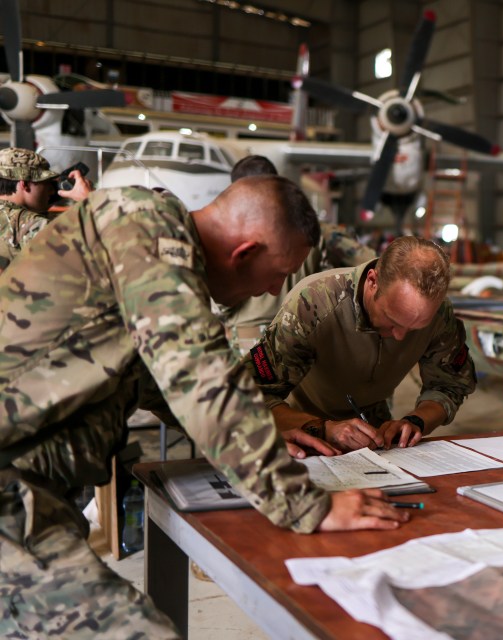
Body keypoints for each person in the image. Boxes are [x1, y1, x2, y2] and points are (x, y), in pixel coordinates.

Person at [0, 176, 407, 637]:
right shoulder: (146, 229)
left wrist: (266, 430)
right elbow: (199, 376)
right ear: (244, 253)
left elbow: (158, 383)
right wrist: (307, 506)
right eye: (277, 276)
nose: (273, 292)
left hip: (33, 485)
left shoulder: (154, 252)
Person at [248, 235, 477, 454]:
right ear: (372, 281)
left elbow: (450, 384)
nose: (399, 337)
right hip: (304, 432)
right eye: (393, 320)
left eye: (416, 328)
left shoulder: (439, 315)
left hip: (375, 438)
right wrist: (324, 428)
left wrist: (416, 421)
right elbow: (248, 396)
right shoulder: (313, 304)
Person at [221, 154, 375, 353]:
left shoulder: (231, 236)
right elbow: (370, 261)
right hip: (303, 340)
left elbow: (218, 304)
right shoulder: (319, 231)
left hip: (249, 345)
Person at [0, 147, 92, 272]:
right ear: (25, 184)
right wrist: (89, 200)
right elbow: (91, 256)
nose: (52, 190)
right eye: (46, 182)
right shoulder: (29, 225)